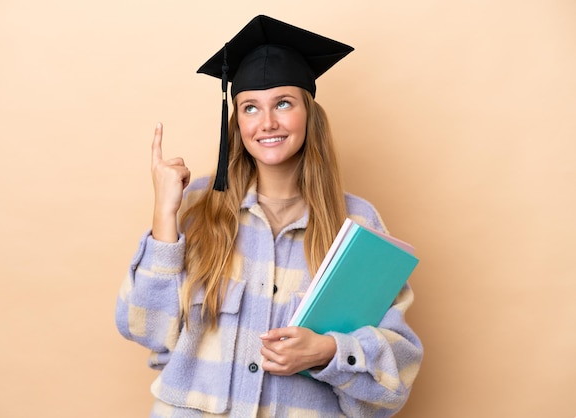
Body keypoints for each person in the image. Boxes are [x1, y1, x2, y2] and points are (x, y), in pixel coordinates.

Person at [116, 15, 423, 418]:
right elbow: (144, 329)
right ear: (237, 121)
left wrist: (329, 350)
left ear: (309, 114)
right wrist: (164, 214)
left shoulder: (357, 225)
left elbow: (396, 376)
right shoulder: (195, 207)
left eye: (283, 103)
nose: (268, 123)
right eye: (250, 108)